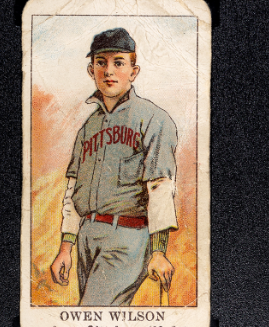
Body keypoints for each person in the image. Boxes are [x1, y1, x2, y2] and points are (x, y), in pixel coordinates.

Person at [50, 27, 178, 306]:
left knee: (93, 311)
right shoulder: (88, 127)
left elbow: (160, 188)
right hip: (87, 237)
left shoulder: (154, 119)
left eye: (119, 63)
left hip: (128, 237)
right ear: (91, 70)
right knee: (96, 318)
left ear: (134, 71)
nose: (108, 71)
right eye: (101, 62)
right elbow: (73, 191)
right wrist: (66, 248)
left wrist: (158, 251)